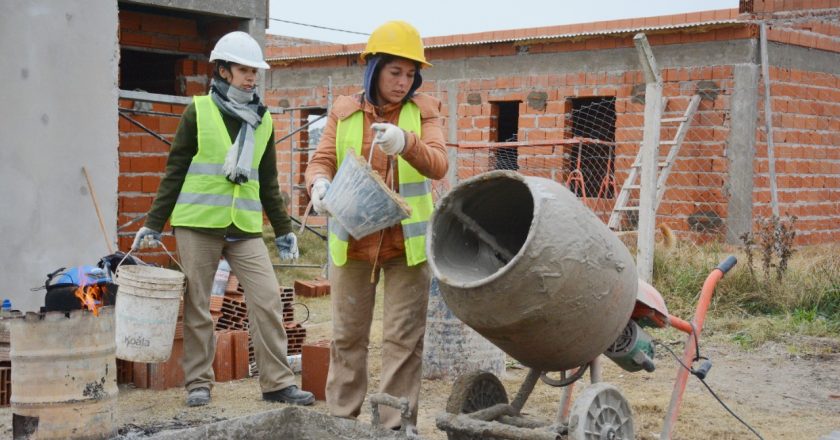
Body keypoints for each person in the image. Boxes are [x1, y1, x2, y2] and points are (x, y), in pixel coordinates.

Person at [132, 31, 314, 407]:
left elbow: (268, 183)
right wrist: (154, 222)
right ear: (224, 70)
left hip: (244, 229)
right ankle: (199, 382)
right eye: (244, 70)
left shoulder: (262, 121)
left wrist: (284, 231)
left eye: (254, 71)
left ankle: (277, 383)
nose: (251, 78)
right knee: (199, 304)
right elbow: (175, 170)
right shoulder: (198, 111)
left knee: (267, 300)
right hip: (198, 223)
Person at [305, 20, 448, 429]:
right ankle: (341, 423)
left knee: (402, 341)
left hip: (407, 247)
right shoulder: (343, 110)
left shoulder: (424, 111)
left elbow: (439, 163)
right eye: (394, 72)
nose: (403, 82)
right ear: (374, 69)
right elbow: (321, 160)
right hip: (353, 241)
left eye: (410, 74)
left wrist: (406, 142)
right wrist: (318, 184)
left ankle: (393, 428)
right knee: (347, 338)